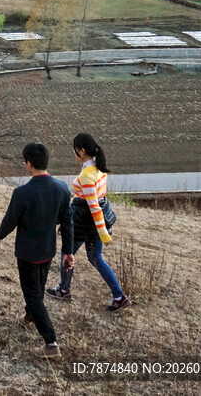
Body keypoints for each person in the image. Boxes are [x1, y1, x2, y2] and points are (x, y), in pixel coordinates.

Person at [0, 142, 75, 359]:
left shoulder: (22, 193)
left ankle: (51, 343)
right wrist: (68, 251)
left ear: (29, 164)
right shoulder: (61, 189)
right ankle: (28, 318)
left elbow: (11, 220)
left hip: (27, 253)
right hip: (48, 250)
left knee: (32, 295)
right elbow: (67, 223)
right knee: (37, 288)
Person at [46, 133, 131, 312]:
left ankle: (64, 290)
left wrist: (104, 233)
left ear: (82, 151)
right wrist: (101, 230)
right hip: (93, 221)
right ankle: (119, 296)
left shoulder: (86, 175)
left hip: (83, 221)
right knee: (95, 258)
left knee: (67, 252)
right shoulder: (99, 168)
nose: (73, 153)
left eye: (75, 150)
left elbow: (93, 206)